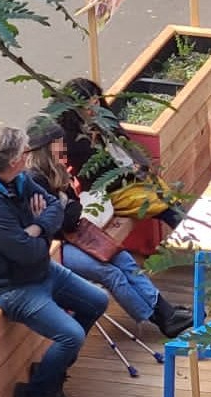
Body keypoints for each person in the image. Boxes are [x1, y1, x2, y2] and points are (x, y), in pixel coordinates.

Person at [0, 126, 108, 397]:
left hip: (37, 270)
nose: (29, 156)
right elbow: (28, 253)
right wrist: (41, 228)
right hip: (9, 286)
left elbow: (55, 208)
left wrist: (37, 227)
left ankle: (51, 373)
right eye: (25, 152)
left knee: (97, 301)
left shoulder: (18, 179)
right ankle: (35, 395)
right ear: (15, 160)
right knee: (71, 335)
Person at [22, 117, 194, 339]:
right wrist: (66, 208)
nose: (63, 145)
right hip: (54, 248)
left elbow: (74, 207)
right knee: (109, 272)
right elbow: (60, 221)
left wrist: (66, 207)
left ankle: (166, 312)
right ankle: (158, 318)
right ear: (47, 147)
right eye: (58, 141)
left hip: (73, 234)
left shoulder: (56, 170)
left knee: (123, 258)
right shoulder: (34, 180)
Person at [45, 78, 181, 229]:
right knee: (166, 206)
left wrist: (142, 165)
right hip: (109, 190)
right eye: (87, 107)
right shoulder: (68, 137)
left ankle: (191, 234)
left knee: (169, 199)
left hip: (134, 177)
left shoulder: (104, 117)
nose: (94, 110)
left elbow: (127, 145)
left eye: (96, 102)